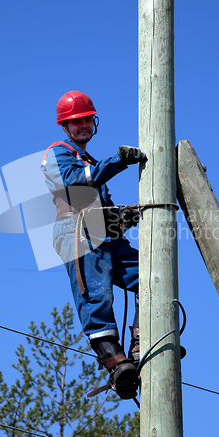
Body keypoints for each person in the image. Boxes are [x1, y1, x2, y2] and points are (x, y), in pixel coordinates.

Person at [41, 90, 147, 400]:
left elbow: (95, 206)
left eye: (87, 119)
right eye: (75, 122)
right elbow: (77, 183)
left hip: (102, 234)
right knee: (96, 294)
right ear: (65, 126)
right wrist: (119, 161)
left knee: (152, 275)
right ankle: (116, 363)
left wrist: (123, 217)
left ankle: (141, 341)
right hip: (77, 234)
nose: (83, 125)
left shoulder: (89, 159)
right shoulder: (58, 152)